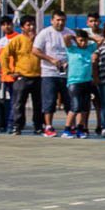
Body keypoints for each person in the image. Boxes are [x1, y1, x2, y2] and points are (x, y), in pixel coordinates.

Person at [32, 10, 74, 138]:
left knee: (70, 101)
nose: (60, 23)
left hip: (67, 74)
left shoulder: (70, 33)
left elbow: (76, 49)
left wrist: (69, 62)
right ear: (52, 21)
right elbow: (35, 50)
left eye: (63, 20)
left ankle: (70, 126)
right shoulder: (45, 33)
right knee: (49, 101)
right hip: (49, 73)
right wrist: (51, 60)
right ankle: (48, 126)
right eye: (58, 20)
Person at [1, 15, 41, 136]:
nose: (31, 27)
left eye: (33, 24)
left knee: (38, 104)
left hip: (38, 76)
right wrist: (8, 72)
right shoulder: (17, 40)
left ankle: (38, 126)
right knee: (18, 103)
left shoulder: (39, 39)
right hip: (22, 77)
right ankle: (17, 126)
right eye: (28, 25)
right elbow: (4, 55)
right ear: (22, 27)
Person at [65, 27, 98, 138]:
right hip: (74, 82)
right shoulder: (71, 49)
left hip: (87, 82)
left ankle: (80, 129)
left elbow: (100, 40)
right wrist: (74, 37)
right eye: (81, 40)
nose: (83, 43)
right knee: (75, 107)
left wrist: (88, 37)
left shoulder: (89, 49)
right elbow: (66, 38)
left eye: (85, 41)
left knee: (84, 108)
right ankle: (67, 129)